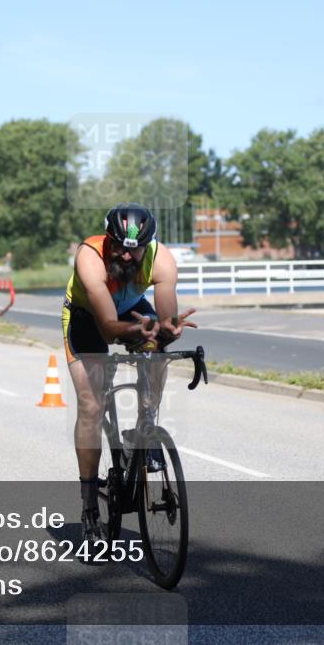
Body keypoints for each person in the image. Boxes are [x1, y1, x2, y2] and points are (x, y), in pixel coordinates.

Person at [62, 203, 197, 546]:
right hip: (88, 316)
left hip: (130, 308)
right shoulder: (89, 256)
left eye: (133, 249)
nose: (125, 255)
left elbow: (165, 316)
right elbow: (108, 329)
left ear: (147, 245)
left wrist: (168, 329)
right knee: (91, 408)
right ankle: (91, 509)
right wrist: (139, 333)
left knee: (156, 351)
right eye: (119, 246)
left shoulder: (162, 260)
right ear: (109, 239)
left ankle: (145, 425)